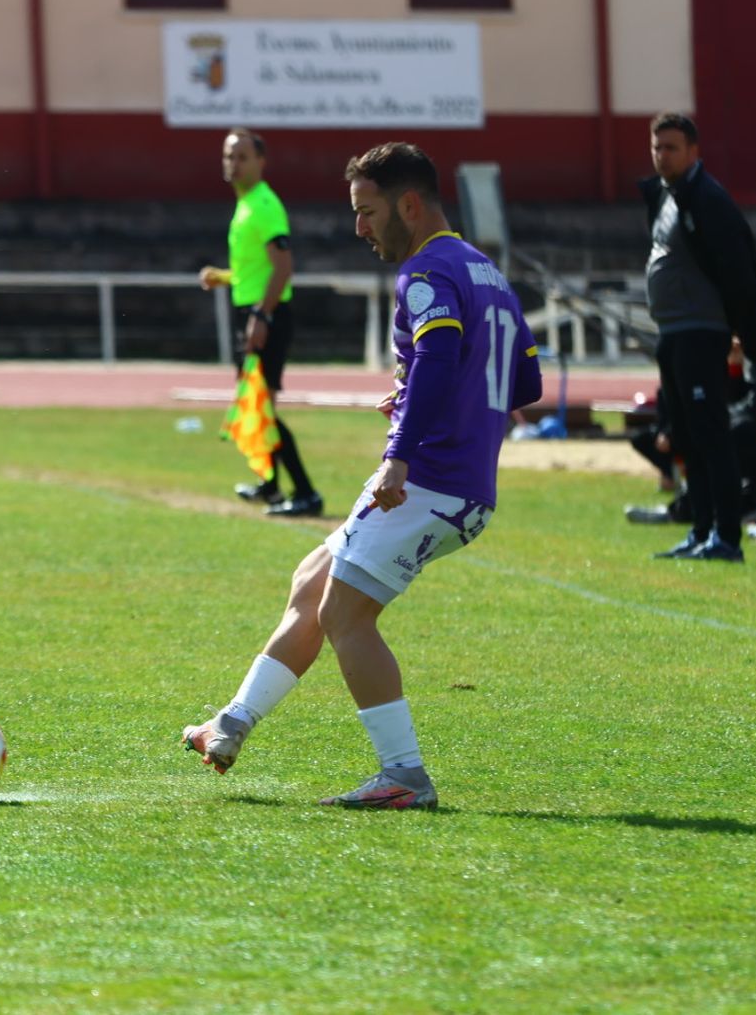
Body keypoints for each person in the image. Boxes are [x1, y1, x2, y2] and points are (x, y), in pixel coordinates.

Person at [180, 142, 542, 810]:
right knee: (313, 580)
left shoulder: (425, 270)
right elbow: (525, 382)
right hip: (457, 480)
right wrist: (420, 399)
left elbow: (439, 356)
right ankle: (229, 724)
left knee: (344, 613)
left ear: (410, 205)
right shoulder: (487, 272)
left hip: (429, 479)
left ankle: (404, 774)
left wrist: (402, 447)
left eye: (368, 211)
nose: (359, 227)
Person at [639, 112, 756, 562]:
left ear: (694, 151)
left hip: (701, 332)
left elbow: (737, 268)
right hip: (673, 331)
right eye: (657, 147)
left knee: (711, 435)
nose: (662, 156)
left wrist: (738, 324)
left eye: (671, 148)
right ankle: (700, 531)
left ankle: (727, 537)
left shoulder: (708, 198)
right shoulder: (668, 196)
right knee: (686, 437)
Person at [198, 128, 322, 516]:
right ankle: (270, 486)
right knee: (256, 407)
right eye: (228, 156)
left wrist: (261, 316)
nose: (233, 164)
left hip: (266, 316)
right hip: (254, 312)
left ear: (260, 162)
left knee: (262, 408)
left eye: (242, 157)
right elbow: (254, 270)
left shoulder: (264, 205)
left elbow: (282, 267)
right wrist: (223, 277)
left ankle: (306, 493)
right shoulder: (246, 204)